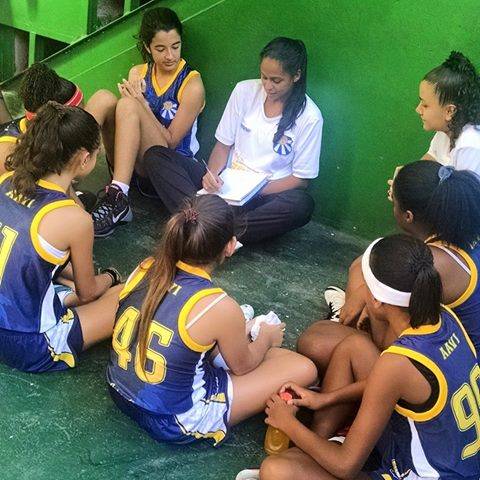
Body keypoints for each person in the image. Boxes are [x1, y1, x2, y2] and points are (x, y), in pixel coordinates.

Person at [255, 234, 480, 479]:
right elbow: (387, 385)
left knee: (277, 471)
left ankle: (319, 450)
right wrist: (326, 399)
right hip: (453, 456)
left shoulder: (397, 362)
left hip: (423, 473)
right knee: (355, 346)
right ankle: (319, 446)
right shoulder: (445, 316)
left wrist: (288, 423)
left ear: (376, 301)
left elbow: (346, 466)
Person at [106, 194, 317, 446]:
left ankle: (236, 337)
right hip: (172, 419)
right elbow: (243, 367)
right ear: (231, 246)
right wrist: (266, 339)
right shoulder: (218, 306)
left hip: (119, 390)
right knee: (303, 368)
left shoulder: (147, 266)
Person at [298, 160, 480, 373]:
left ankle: (354, 340)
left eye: (395, 203)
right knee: (362, 268)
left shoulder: (433, 262)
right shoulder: (458, 233)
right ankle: (353, 324)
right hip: (443, 340)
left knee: (315, 341)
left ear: (408, 216)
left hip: (451, 366)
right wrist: (365, 294)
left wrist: (365, 299)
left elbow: (395, 322)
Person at [143, 36, 323, 244]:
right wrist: (211, 176)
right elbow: (223, 145)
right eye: (264, 77)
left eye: (276, 80)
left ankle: (206, 226)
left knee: (301, 205)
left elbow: (300, 180)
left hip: (263, 198)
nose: (268, 86)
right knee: (155, 156)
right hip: (225, 187)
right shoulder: (244, 91)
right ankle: (211, 227)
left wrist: (253, 191)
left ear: (296, 76)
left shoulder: (310, 117)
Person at [0, 102, 122, 373]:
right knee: (128, 295)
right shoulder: (75, 220)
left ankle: (61, 297)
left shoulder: (6, 180)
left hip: (10, 313)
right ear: (84, 158)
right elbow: (88, 293)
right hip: (29, 344)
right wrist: (111, 276)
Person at [92, 7, 205, 237]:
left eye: (175, 46)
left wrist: (142, 104)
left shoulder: (192, 84)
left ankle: (118, 198)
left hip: (167, 168)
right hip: (134, 168)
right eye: (160, 49)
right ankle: (63, 168)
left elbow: (171, 143)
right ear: (147, 47)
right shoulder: (138, 73)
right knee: (104, 98)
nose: (170, 56)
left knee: (128, 104)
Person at [0, 62, 117, 175]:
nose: (82, 120)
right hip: (46, 181)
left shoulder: (66, 127)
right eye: (79, 117)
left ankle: (116, 180)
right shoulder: (8, 154)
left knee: (104, 98)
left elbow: (104, 101)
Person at [417, 51, 480, 174]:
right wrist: (406, 177)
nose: (418, 110)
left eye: (425, 105)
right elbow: (427, 162)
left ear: (450, 111)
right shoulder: (446, 131)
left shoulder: (469, 147)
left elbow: (461, 188)